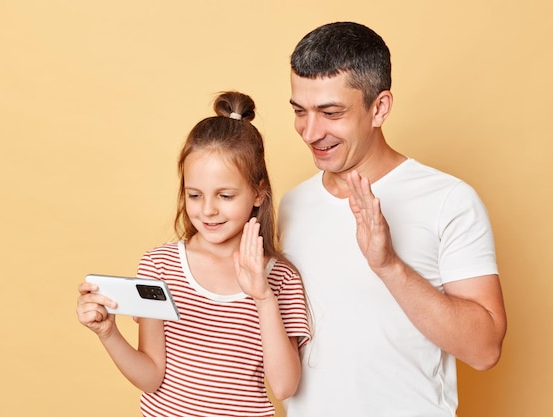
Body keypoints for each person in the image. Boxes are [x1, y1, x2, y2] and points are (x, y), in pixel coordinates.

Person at [278, 22, 507, 416]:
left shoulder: (449, 200)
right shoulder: (292, 205)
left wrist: (389, 266)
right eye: (300, 111)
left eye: (330, 113)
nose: (310, 132)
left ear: (379, 107)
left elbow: (485, 350)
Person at [77, 91, 310, 417]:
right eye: (195, 195)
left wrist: (263, 297)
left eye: (225, 195)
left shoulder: (281, 278)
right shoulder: (160, 266)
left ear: (258, 192)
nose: (209, 210)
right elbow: (151, 377)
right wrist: (108, 333)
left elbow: (284, 387)